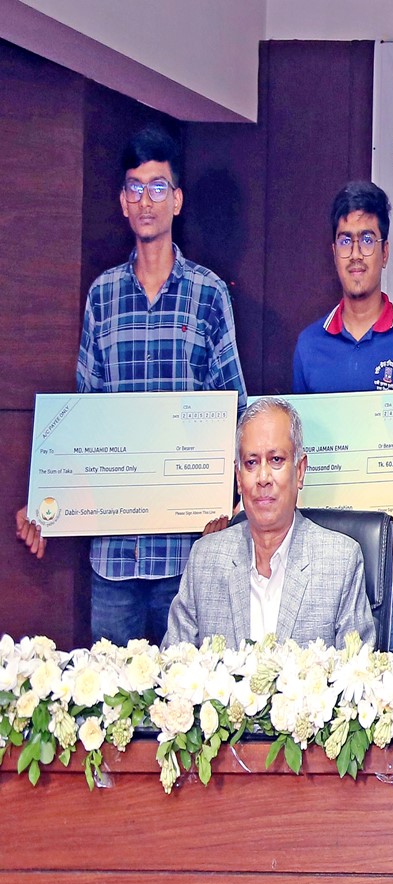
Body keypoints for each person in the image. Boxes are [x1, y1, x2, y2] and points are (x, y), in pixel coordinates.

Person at [16, 125, 247, 646]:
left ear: (177, 200)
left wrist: (236, 500)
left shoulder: (208, 294)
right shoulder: (102, 296)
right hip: (114, 556)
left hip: (188, 550)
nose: (147, 200)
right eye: (135, 187)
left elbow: (236, 407)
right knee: (112, 694)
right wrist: (46, 496)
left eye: (158, 187)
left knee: (189, 693)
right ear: (122, 201)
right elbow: (83, 418)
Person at [291, 180, 393, 650]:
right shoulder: (309, 347)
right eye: (345, 240)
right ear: (333, 251)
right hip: (320, 578)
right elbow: (299, 462)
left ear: (385, 251)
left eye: (367, 239)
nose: (356, 253)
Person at [164, 398, 374, 649]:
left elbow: (358, 668)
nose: (263, 478)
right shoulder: (205, 559)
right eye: (251, 463)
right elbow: (174, 661)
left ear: (300, 471)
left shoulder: (340, 561)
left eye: (276, 460)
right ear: (239, 478)